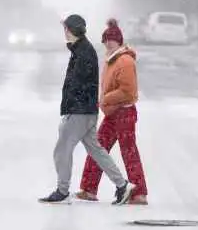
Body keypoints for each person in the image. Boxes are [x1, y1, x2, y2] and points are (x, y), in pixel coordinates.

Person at [39, 14, 135, 205]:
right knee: (96, 150)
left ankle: (62, 190)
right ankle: (122, 185)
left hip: (79, 111)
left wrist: (72, 108)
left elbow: (81, 85)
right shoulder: (81, 49)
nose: (64, 32)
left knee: (62, 150)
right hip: (85, 110)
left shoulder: (83, 52)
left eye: (65, 28)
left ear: (71, 30)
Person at [75, 18, 148, 205]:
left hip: (124, 113)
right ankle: (89, 189)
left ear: (119, 40)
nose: (108, 42)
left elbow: (128, 91)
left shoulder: (124, 60)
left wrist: (106, 100)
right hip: (112, 114)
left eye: (112, 39)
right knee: (97, 148)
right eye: (106, 39)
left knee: (128, 152)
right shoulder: (111, 59)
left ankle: (139, 193)